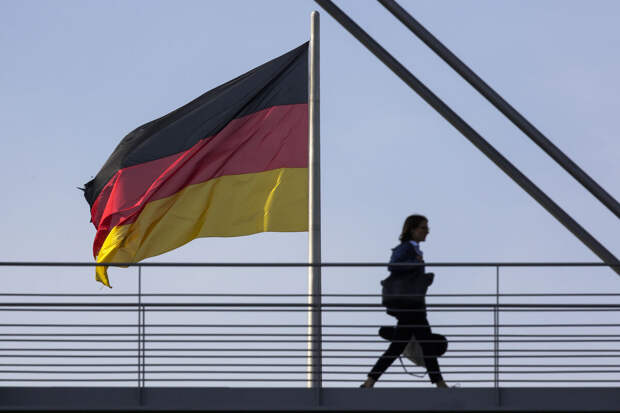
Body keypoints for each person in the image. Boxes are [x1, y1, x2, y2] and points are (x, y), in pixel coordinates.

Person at [361, 214, 449, 388]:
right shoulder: (406, 247)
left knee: (401, 345)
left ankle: (369, 382)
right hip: (411, 306)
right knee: (422, 343)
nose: (427, 231)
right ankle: (440, 383)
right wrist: (415, 263)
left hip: (413, 305)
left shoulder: (413, 248)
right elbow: (393, 265)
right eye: (423, 227)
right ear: (412, 229)